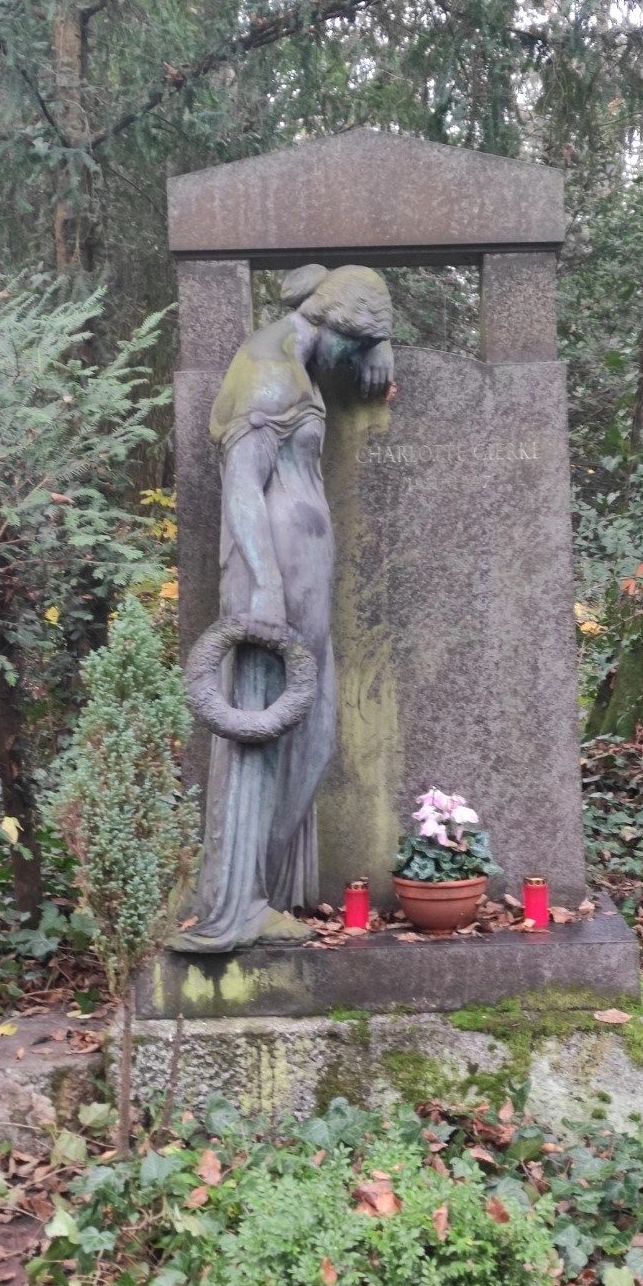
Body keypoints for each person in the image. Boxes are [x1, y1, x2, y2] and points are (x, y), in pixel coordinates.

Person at [169, 264, 395, 953]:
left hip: (300, 571)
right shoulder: (269, 373)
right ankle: (236, 907)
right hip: (273, 575)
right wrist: (265, 584)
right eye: (356, 349)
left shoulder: (297, 357)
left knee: (311, 736)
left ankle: (259, 893)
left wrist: (378, 351)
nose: (352, 365)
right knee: (262, 732)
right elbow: (243, 485)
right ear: (333, 327)